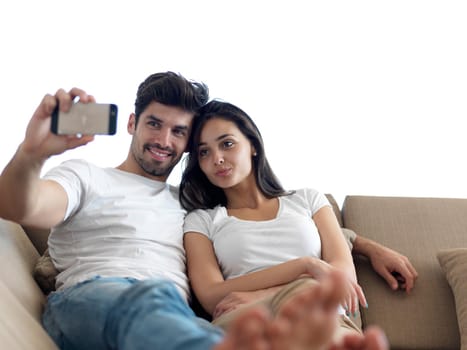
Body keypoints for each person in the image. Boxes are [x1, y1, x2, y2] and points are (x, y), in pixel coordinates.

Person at [0, 71, 409, 350]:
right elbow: (22, 204)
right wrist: (31, 154)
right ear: (131, 124)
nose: (164, 139)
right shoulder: (85, 176)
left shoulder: (189, 204)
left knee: (195, 323)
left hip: (174, 317)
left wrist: (364, 245)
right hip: (95, 297)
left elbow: (284, 223)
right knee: (155, 305)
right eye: (154, 124)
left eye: (179, 132)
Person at [178, 100, 391, 347]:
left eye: (227, 144)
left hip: (318, 316)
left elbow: (342, 279)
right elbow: (212, 295)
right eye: (204, 152)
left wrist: (265, 293)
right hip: (249, 320)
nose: (217, 159)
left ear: (253, 146)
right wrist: (306, 265)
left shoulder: (308, 200)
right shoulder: (201, 220)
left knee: (316, 323)